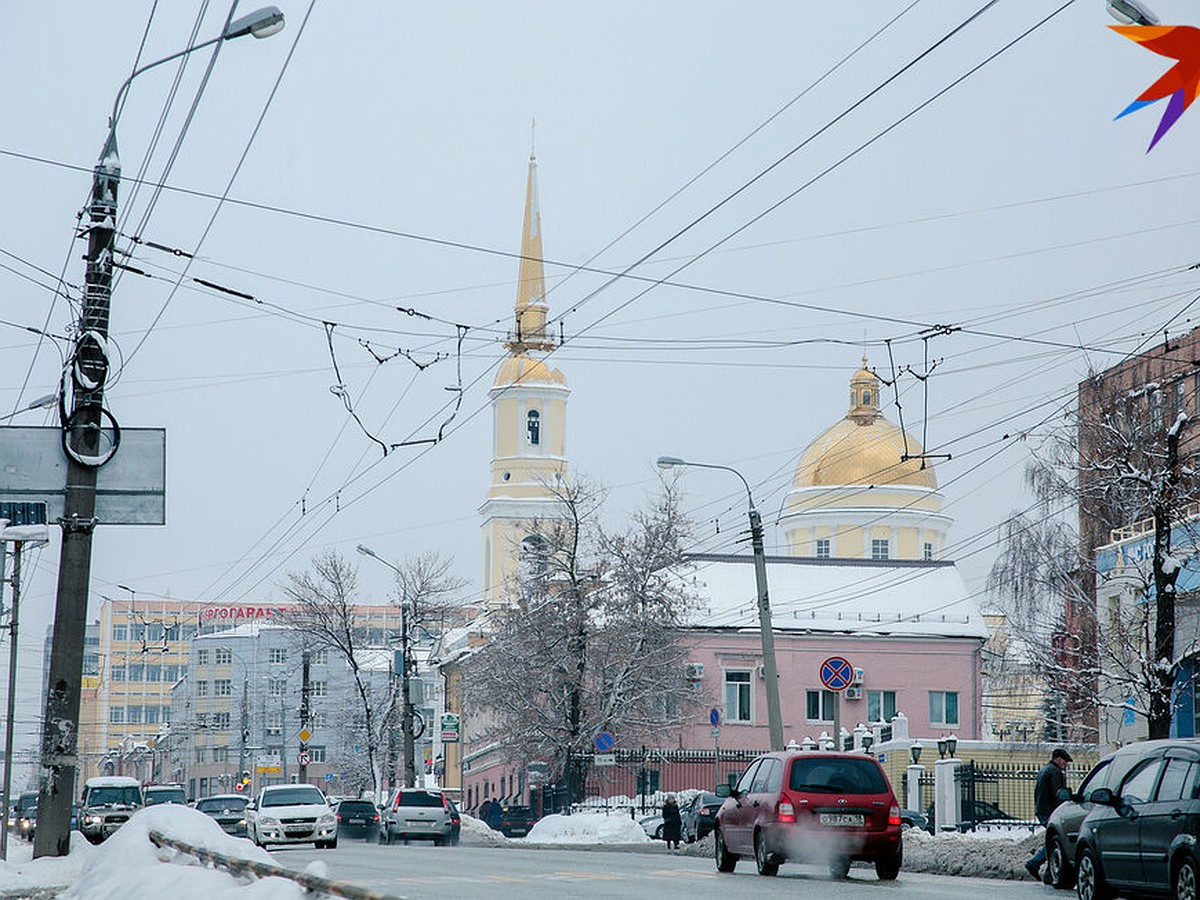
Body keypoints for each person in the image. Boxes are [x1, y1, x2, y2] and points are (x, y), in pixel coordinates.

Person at [1025, 747, 1072, 881]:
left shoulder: (1044, 770)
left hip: (1042, 809)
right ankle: (1035, 864)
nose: (1065, 765)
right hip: (1051, 812)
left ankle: (1048, 874)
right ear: (1058, 759)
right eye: (1064, 762)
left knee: (1054, 840)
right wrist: (1064, 808)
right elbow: (1058, 794)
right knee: (1056, 840)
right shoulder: (1055, 772)